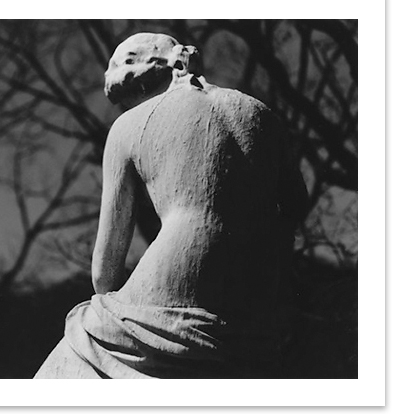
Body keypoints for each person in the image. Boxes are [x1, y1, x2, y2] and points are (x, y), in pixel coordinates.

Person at [34, 33, 307, 379]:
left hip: (177, 275)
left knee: (72, 357)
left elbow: (104, 274)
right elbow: (297, 203)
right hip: (260, 293)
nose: (131, 105)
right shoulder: (259, 112)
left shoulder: (129, 126)